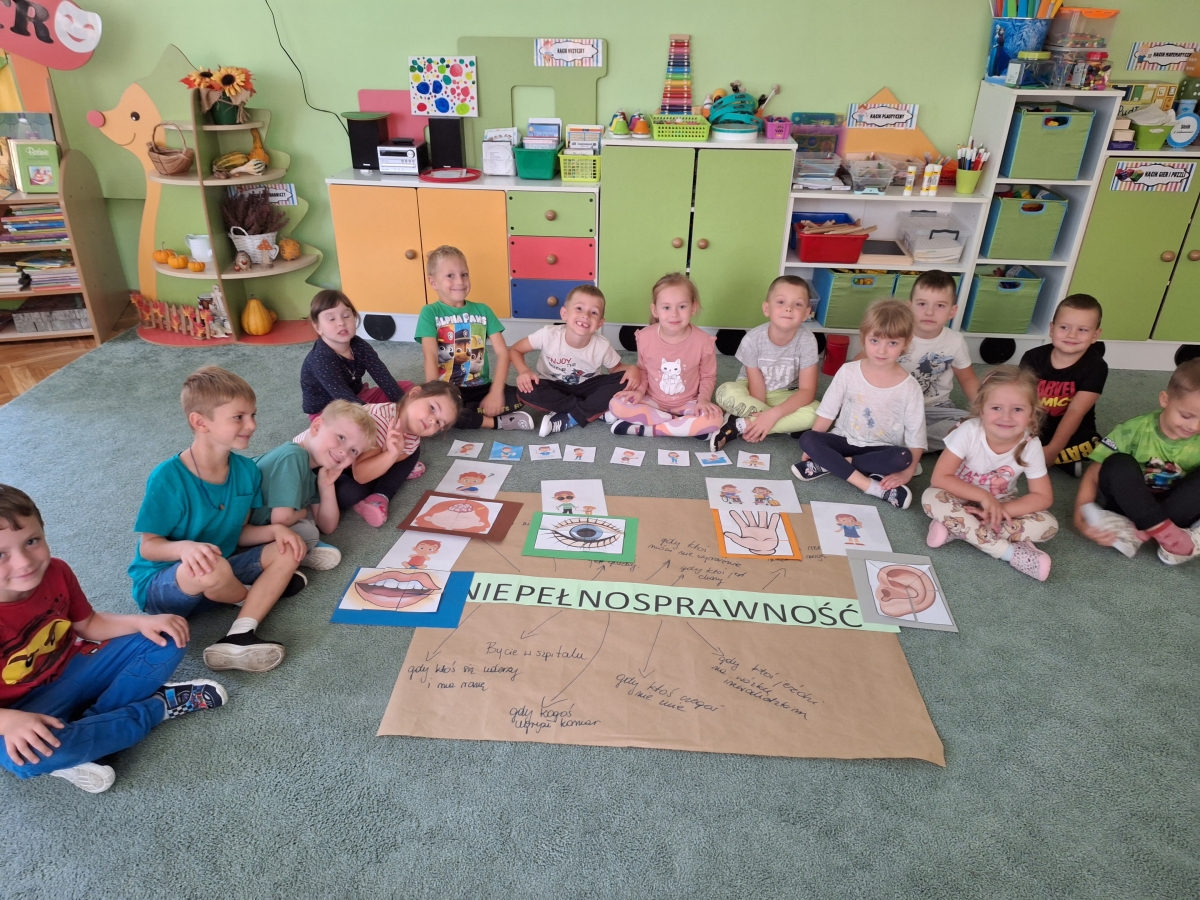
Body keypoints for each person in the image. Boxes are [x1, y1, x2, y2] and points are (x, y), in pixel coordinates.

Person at [0, 485, 227, 794]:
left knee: (168, 635)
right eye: (1, 554)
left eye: (32, 541)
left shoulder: (57, 571)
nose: (24, 562)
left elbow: (89, 624)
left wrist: (143, 622)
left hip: (75, 669)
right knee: (26, 759)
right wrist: (9, 722)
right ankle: (157, 707)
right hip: (18, 710)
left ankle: (90, 732)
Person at [130, 367, 308, 674]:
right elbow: (149, 546)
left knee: (288, 549)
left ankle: (238, 635)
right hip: (165, 585)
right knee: (212, 566)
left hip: (219, 576)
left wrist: (277, 530)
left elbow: (238, 533)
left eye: (253, 414)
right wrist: (185, 548)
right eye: (238, 417)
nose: (252, 424)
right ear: (200, 422)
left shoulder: (246, 471)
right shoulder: (168, 477)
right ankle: (254, 594)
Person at [922, 366, 1057, 581]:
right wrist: (984, 497)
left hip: (1001, 502)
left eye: (1017, 409)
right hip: (957, 496)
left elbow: (1042, 497)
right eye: (996, 408)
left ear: (1032, 415)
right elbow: (940, 478)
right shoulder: (969, 431)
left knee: (1048, 525)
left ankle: (957, 529)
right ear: (982, 410)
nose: (1006, 417)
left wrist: (1000, 510)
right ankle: (1008, 552)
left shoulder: (1031, 444)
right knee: (931, 497)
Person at [794, 300, 926, 509]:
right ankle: (870, 485)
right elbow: (827, 412)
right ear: (863, 337)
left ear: (906, 343)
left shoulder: (910, 387)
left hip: (881, 449)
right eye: (874, 341)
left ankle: (832, 463)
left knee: (904, 458)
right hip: (844, 439)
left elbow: (916, 435)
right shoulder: (848, 371)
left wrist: (907, 472)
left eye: (892, 343)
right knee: (808, 438)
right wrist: (813, 449)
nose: (882, 350)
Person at [1074, 358, 1200, 565]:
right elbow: (1094, 474)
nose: (1194, 427)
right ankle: (1164, 531)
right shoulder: (1132, 430)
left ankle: (1152, 529)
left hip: (1174, 509)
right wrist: (1080, 517)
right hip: (1128, 506)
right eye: (1186, 416)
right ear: (1165, 399)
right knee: (1117, 463)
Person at [292, 382, 461, 528]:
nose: (432, 421)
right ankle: (383, 484)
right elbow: (361, 475)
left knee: (412, 450)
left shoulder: (413, 436)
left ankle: (381, 494)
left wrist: (391, 455)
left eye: (438, 423)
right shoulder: (379, 421)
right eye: (432, 408)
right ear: (414, 394)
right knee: (349, 494)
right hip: (320, 462)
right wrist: (391, 454)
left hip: (351, 460)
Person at [415, 245, 532, 431]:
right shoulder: (430, 312)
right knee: (436, 411)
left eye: (464, 274)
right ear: (433, 282)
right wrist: (434, 395)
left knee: (528, 394)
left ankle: (467, 413)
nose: (460, 281)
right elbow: (430, 354)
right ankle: (492, 421)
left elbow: (503, 353)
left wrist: (495, 393)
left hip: (481, 387)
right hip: (447, 390)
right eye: (450, 275)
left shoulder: (483, 310)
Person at [250, 400, 375, 572]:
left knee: (308, 530)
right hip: (234, 529)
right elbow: (281, 520)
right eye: (341, 438)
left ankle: (287, 556)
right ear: (316, 427)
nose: (344, 452)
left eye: (354, 451)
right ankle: (286, 556)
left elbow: (327, 526)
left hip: (257, 529)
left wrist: (326, 484)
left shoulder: (313, 473)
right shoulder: (293, 455)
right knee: (307, 528)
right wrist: (302, 512)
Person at [509, 284, 641, 436]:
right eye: (579, 308)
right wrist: (524, 371)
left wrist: (633, 368)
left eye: (594, 312)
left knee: (625, 380)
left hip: (587, 387)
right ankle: (593, 411)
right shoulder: (548, 334)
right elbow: (515, 350)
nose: (586, 315)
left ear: (600, 323)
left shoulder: (602, 345)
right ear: (564, 313)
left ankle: (571, 415)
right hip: (553, 385)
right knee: (526, 388)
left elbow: (616, 369)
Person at [710, 275, 820, 451]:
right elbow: (756, 385)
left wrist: (773, 414)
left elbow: (807, 391)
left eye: (798, 304)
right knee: (724, 392)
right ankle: (782, 425)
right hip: (751, 391)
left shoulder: (808, 341)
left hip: (786, 394)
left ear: (807, 313)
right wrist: (767, 415)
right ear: (767, 308)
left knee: (817, 413)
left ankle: (740, 425)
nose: (789, 309)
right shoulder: (752, 339)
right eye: (781, 302)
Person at [607, 273, 724, 438]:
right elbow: (643, 370)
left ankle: (650, 429)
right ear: (655, 310)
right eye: (666, 307)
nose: (674, 314)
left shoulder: (703, 342)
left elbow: (708, 376)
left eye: (682, 306)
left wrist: (703, 400)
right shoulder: (645, 337)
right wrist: (639, 392)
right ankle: (679, 424)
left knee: (715, 419)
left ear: (693, 308)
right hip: (652, 400)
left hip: (688, 403)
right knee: (616, 405)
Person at [1020, 294, 1107, 474]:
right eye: (1064, 327)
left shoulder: (1097, 367)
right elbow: (1022, 400)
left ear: (1095, 335)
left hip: (1072, 428)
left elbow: (1076, 411)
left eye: (1082, 330)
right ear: (1052, 329)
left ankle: (1054, 455)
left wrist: (1053, 449)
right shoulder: (1033, 357)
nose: (1072, 335)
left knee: (1093, 444)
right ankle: (1056, 457)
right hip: (1035, 423)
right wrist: (1027, 434)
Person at [894, 270, 979, 452]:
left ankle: (903, 443)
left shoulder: (955, 341)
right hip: (897, 408)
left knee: (973, 426)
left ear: (952, 311)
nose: (929, 312)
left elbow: (968, 379)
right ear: (909, 307)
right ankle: (909, 443)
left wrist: (984, 411)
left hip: (936, 409)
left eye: (940, 305)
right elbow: (861, 363)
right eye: (922, 304)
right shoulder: (895, 334)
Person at [300, 289, 413, 415]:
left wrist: (402, 404)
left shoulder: (359, 345)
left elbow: (382, 376)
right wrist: (376, 415)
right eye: (331, 319)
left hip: (358, 396)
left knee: (407, 389)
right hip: (329, 410)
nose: (341, 323)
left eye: (346, 316)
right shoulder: (320, 359)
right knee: (356, 424)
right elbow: (345, 399)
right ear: (318, 327)